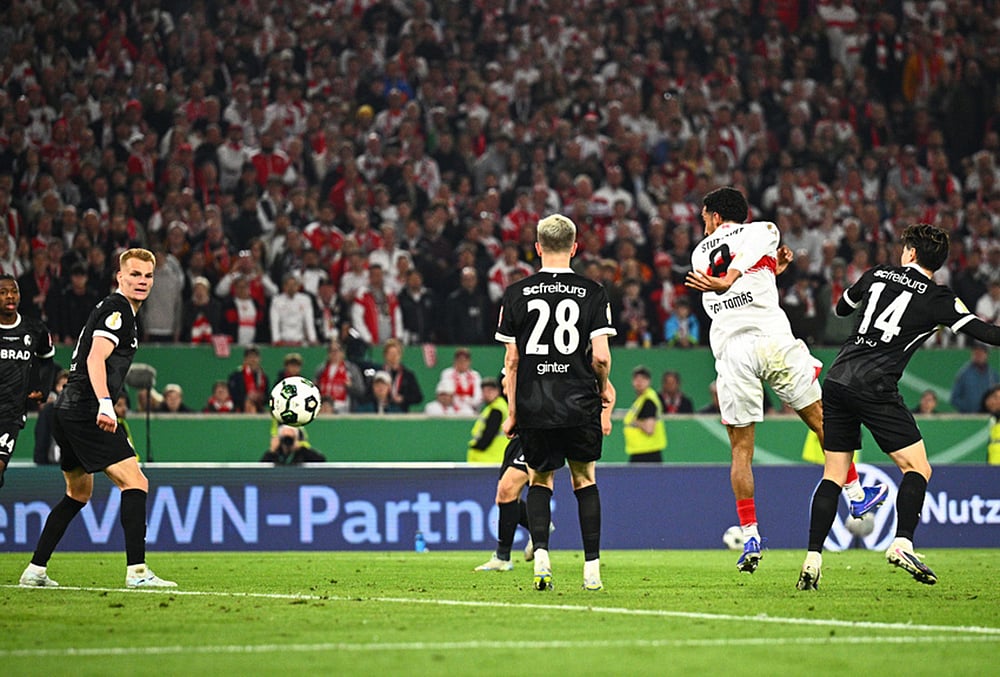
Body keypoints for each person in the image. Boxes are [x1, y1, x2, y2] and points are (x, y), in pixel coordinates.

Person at [685, 187, 884, 575]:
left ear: (713, 214)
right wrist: (742, 275)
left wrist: (756, 274)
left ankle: (751, 535)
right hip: (772, 340)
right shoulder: (764, 231)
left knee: (741, 450)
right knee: (821, 420)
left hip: (732, 351)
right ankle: (857, 496)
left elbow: (722, 295)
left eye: (703, 214)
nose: (701, 221)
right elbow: (740, 267)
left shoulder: (699, 253)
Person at [797, 223, 1000, 590]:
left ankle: (812, 559)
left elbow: (842, 308)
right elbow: (985, 333)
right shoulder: (939, 298)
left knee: (834, 474)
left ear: (909, 253)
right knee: (918, 467)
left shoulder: (876, 273)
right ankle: (902, 543)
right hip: (875, 385)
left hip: (838, 377)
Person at [20, 248, 176, 588]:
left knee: (77, 494)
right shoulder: (117, 310)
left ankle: (35, 571)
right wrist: (106, 404)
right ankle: (137, 573)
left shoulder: (117, 311)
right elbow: (95, 358)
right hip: (86, 410)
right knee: (136, 482)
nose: (142, 282)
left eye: (148, 276)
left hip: (66, 409)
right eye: (134, 274)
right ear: (120, 276)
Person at [496, 213, 617, 592]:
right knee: (585, 479)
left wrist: (514, 410)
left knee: (539, 479)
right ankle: (592, 571)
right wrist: (604, 386)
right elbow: (600, 356)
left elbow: (512, 362)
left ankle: (542, 562)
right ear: (575, 247)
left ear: (537, 248)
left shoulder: (515, 293)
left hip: (535, 402)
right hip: (579, 400)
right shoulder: (594, 291)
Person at [0, 274, 57, 485]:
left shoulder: (35, 330)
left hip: (11, 414)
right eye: (3, 292)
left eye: (14, 291)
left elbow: (47, 360)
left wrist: (44, 388)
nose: (9, 296)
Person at [623, 365, 667, 463]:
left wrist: (635, 422)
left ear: (649, 381)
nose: (639, 382)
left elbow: (649, 428)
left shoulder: (648, 401)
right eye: (636, 379)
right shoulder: (641, 400)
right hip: (641, 451)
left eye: (643, 379)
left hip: (647, 453)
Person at [950, 342, 999, 413]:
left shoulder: (993, 375)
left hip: (988, 415)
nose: (978, 355)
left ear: (986, 355)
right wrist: (968, 409)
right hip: (970, 417)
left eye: (981, 353)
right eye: (976, 353)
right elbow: (954, 398)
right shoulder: (963, 374)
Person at [467, 378, 508, 463]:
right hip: (492, 457)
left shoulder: (497, 409)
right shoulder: (495, 407)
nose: (486, 394)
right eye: (484, 391)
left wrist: (477, 447)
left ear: (497, 391)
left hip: (489, 458)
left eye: (490, 391)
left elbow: (489, 433)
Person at [34, 369, 70, 465]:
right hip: (51, 465)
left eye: (68, 385)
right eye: (62, 385)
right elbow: (41, 436)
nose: (65, 389)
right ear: (57, 387)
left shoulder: (81, 411)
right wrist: (40, 463)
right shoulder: (48, 410)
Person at [227, 344, 269, 412]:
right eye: (250, 357)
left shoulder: (263, 377)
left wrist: (260, 397)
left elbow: (267, 397)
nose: (253, 360)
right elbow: (232, 395)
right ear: (245, 359)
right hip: (240, 411)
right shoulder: (236, 375)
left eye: (255, 357)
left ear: (259, 359)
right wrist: (246, 398)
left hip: (258, 410)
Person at [260, 424, 326, 464]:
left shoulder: (302, 453)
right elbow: (260, 469)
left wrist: (302, 449)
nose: (288, 441)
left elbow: (321, 460)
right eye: (285, 438)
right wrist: (272, 451)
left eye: (291, 438)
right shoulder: (275, 454)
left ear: (296, 438)